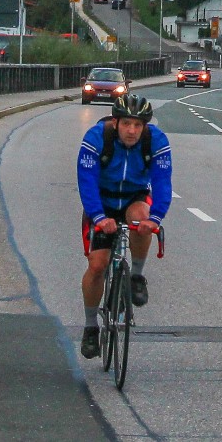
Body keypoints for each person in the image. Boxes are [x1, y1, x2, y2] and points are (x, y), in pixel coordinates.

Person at [78, 92, 172, 357]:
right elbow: (86, 182)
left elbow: (163, 182)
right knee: (97, 266)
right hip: (102, 201)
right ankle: (90, 328)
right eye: (127, 124)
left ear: (145, 127)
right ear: (115, 123)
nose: (132, 131)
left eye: (138, 125)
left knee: (143, 218)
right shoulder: (97, 139)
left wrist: (155, 219)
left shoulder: (156, 141)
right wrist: (99, 217)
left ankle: (137, 276)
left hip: (134, 196)